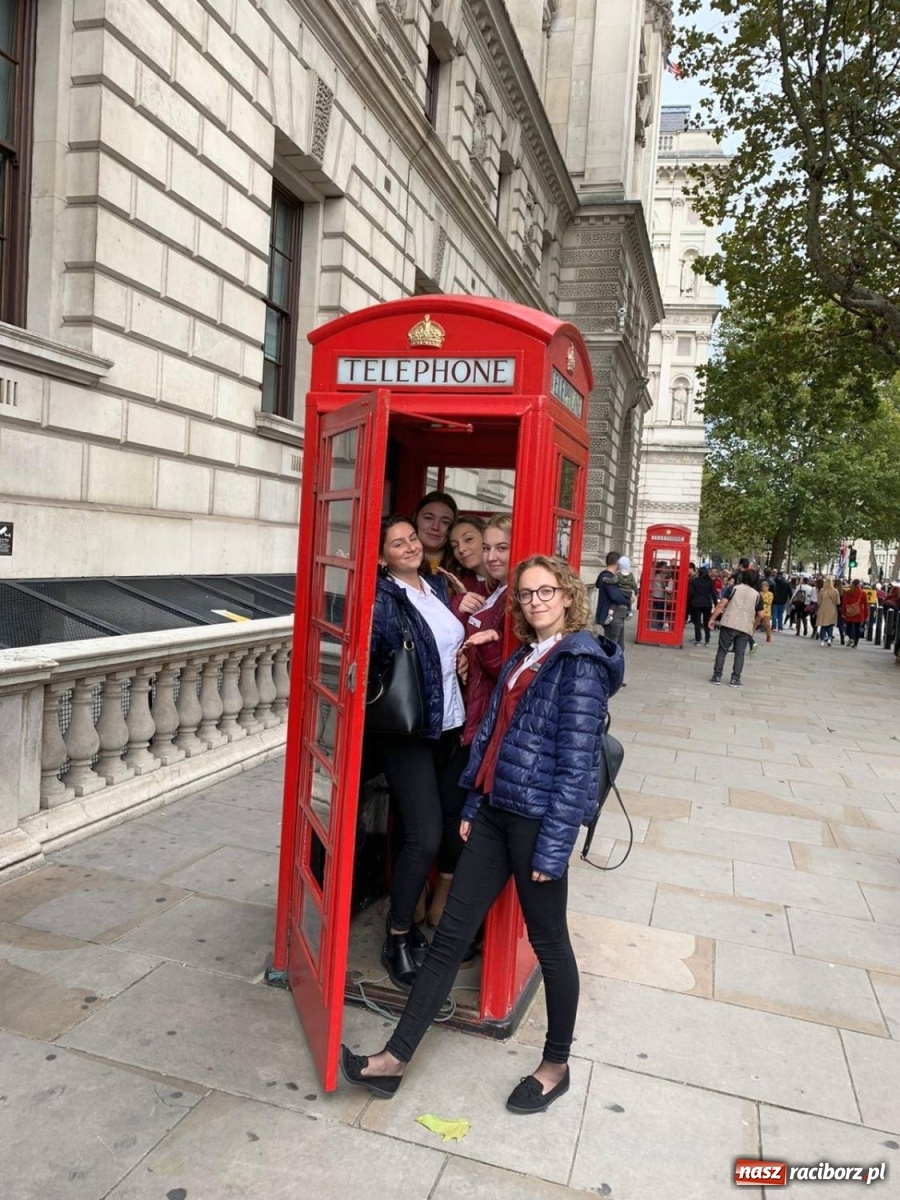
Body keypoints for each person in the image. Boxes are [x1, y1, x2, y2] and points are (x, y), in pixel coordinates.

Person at [341, 556, 624, 1112]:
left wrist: (555, 845)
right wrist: (475, 798)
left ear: (568, 597)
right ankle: (394, 1060)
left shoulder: (580, 663)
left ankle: (555, 1064)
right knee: (449, 936)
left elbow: (574, 765)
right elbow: (493, 734)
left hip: (538, 820)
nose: (536, 601)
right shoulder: (525, 654)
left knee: (549, 943)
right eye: (525, 594)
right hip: (496, 811)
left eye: (547, 592)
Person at [368, 516, 466, 989]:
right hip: (407, 732)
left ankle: (413, 924)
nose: (408, 546)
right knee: (423, 837)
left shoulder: (435, 587)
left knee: (443, 828)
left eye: (412, 539)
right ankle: (397, 937)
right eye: (396, 542)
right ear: (381, 552)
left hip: (448, 726)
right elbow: (370, 655)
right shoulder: (384, 597)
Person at [708, 569, 763, 686]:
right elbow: (761, 614)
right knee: (740, 653)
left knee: (722, 650)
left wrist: (712, 618)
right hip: (745, 626)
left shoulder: (733, 589)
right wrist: (754, 625)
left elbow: (721, 604)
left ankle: (717, 676)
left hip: (729, 623)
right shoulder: (757, 595)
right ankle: (735, 679)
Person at [595, 551, 633, 669]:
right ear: (617, 563)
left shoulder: (605, 576)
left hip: (615, 616)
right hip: (612, 617)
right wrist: (629, 600)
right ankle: (606, 673)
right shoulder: (608, 577)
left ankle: (615, 673)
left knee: (619, 646)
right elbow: (615, 596)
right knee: (612, 647)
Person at [687, 566, 716, 646]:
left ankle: (698, 639)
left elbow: (691, 593)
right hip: (707, 603)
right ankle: (707, 640)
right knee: (707, 622)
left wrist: (690, 602)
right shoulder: (710, 582)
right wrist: (716, 604)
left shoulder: (695, 581)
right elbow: (713, 594)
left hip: (696, 603)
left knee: (697, 622)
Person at [841, 579, 869, 648]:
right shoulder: (863, 593)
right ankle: (855, 644)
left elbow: (844, 603)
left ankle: (851, 638)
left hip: (849, 613)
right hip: (859, 613)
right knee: (857, 628)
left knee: (848, 628)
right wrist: (866, 615)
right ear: (859, 584)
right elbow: (865, 605)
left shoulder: (849, 592)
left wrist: (844, 612)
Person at [816, 577, 840, 647]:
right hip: (832, 610)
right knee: (830, 625)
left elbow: (818, 602)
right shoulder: (835, 591)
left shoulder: (822, 591)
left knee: (823, 625)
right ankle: (829, 638)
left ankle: (822, 640)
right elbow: (838, 602)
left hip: (823, 610)